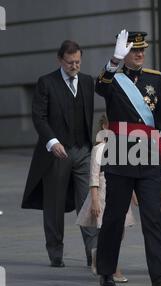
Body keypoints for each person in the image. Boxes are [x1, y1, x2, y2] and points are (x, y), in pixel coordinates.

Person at [94, 30, 161, 286]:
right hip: (121, 154)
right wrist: (114, 60)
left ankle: (159, 278)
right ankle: (106, 271)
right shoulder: (113, 79)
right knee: (114, 218)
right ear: (125, 53)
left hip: (150, 156)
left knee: (153, 218)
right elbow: (99, 87)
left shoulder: (155, 78)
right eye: (134, 50)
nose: (140, 54)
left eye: (142, 50)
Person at [22, 40, 98, 268]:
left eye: (78, 61)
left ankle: (92, 253)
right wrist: (52, 141)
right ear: (60, 60)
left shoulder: (86, 81)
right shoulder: (46, 83)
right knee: (54, 205)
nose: (74, 66)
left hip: (83, 150)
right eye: (70, 62)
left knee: (88, 202)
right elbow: (39, 117)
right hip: (56, 154)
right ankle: (55, 252)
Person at [76, 114, 136, 282]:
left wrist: (133, 193)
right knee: (109, 230)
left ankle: (98, 255)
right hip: (103, 192)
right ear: (104, 126)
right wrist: (94, 200)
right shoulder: (99, 148)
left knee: (120, 231)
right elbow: (94, 176)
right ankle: (113, 268)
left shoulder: (122, 147)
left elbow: (126, 173)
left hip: (120, 190)